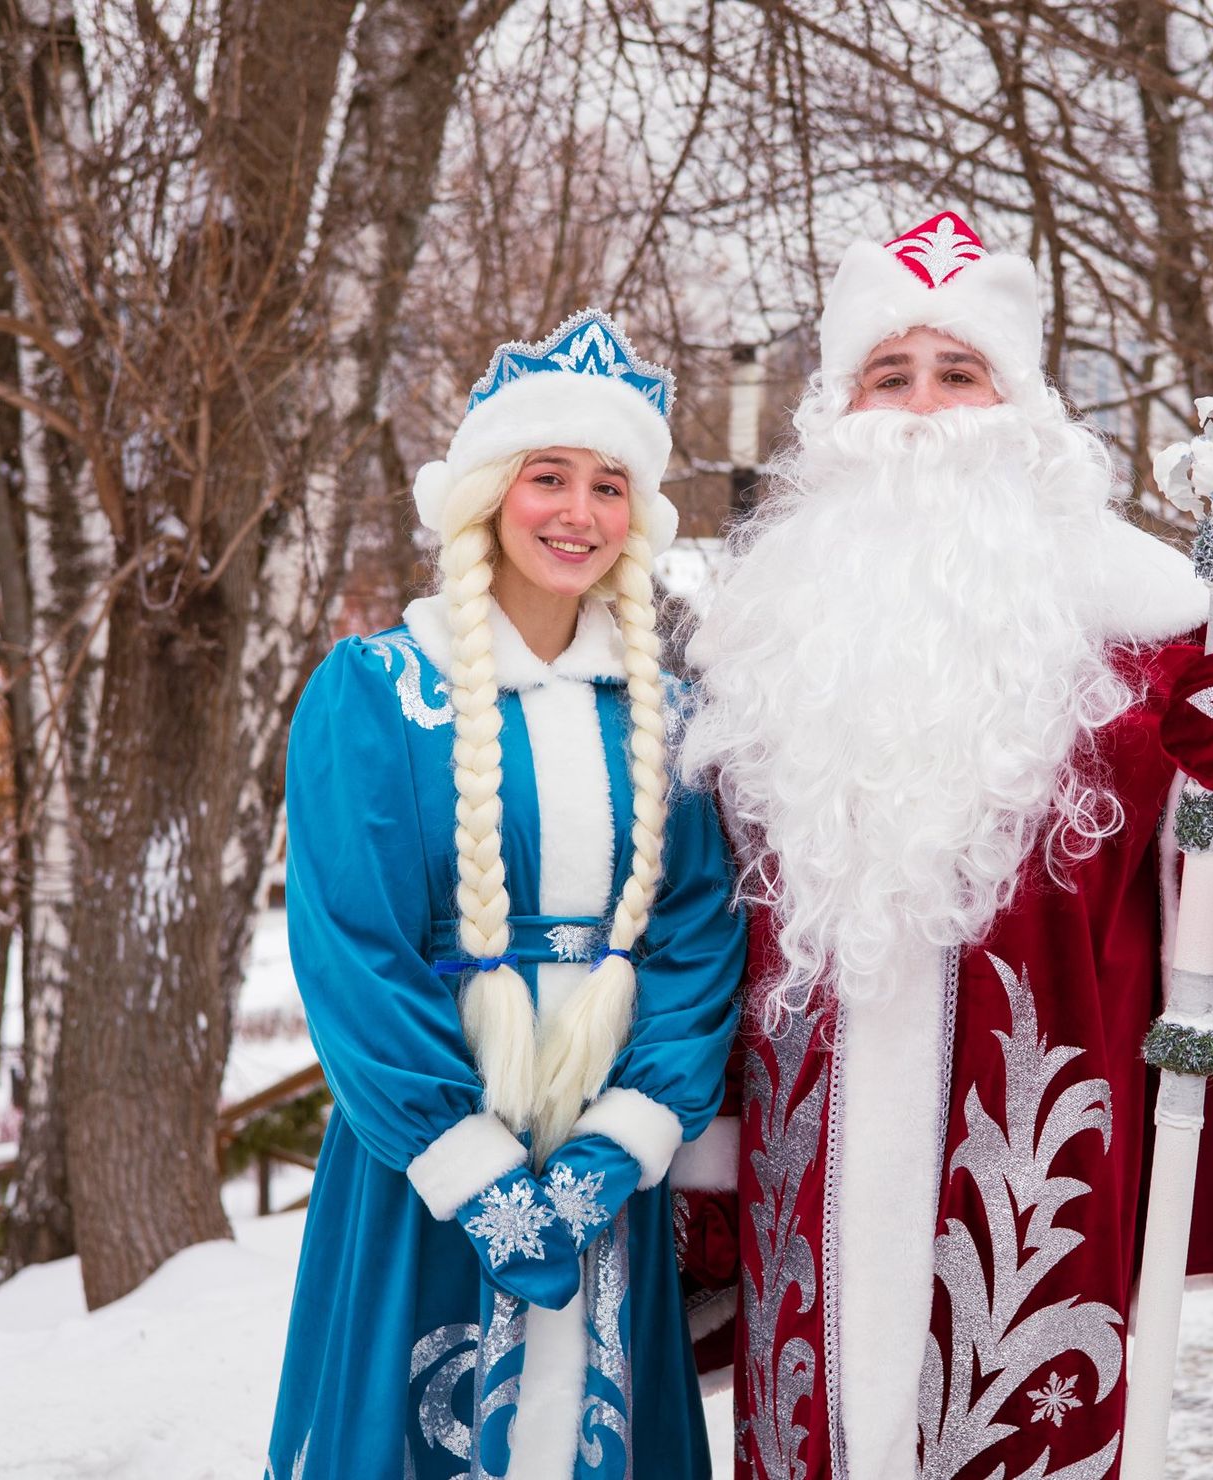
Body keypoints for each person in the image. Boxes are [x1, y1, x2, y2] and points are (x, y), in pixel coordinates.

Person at [678, 213, 1213, 1480]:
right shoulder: (761, 638)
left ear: (1021, 405)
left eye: (958, 374)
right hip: (805, 1187)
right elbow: (696, 916)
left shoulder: (1149, 632)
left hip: (1038, 1180)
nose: (924, 409)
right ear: (839, 410)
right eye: (890, 376)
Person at [266, 309, 746, 1480]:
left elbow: (695, 940)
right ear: (490, 490)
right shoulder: (374, 691)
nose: (578, 513)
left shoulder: (666, 719)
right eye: (549, 478)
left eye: (608, 485)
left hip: (602, 1177)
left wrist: (617, 1150)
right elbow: (353, 954)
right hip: (425, 1170)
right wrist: (479, 1178)